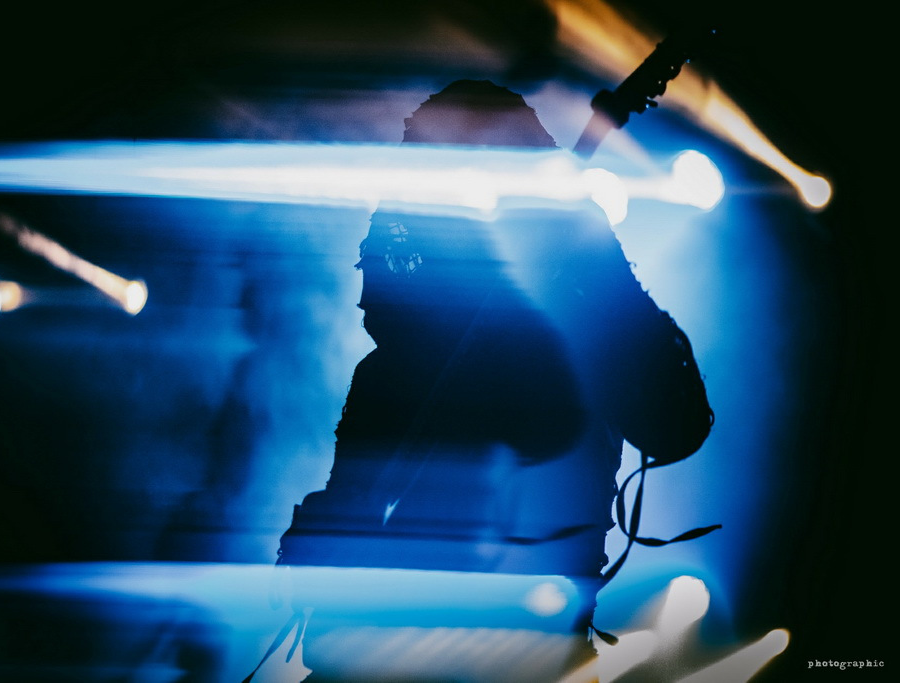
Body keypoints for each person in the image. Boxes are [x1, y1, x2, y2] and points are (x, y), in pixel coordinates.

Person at [274, 79, 713, 681]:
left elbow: (676, 427)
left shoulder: (589, 339)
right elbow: (353, 509)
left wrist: (591, 243)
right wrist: (319, 540)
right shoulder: (393, 368)